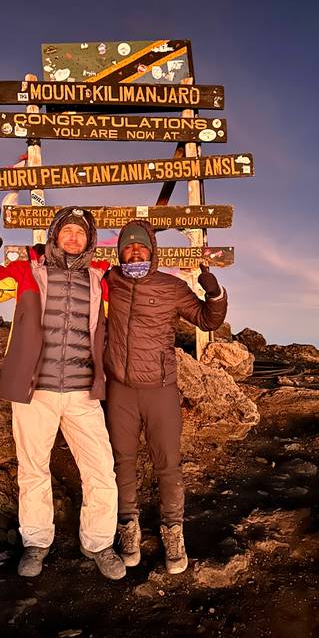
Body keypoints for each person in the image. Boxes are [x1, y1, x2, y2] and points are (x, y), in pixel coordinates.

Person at [0, 204, 125, 580]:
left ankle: (99, 542)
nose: (73, 237)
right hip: (34, 392)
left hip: (83, 393)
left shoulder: (100, 279)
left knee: (101, 469)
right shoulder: (25, 271)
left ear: (89, 241)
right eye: (67, 231)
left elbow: (133, 306)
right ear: (55, 235)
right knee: (33, 468)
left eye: (81, 233)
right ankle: (36, 542)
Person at [104, 220, 227, 574]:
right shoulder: (110, 281)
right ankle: (128, 527)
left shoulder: (171, 287)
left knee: (168, 464)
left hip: (161, 389)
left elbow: (207, 321)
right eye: (129, 247)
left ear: (152, 251)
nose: (136, 251)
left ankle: (174, 532)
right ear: (121, 252)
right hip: (120, 390)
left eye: (141, 247)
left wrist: (214, 292)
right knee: (122, 462)